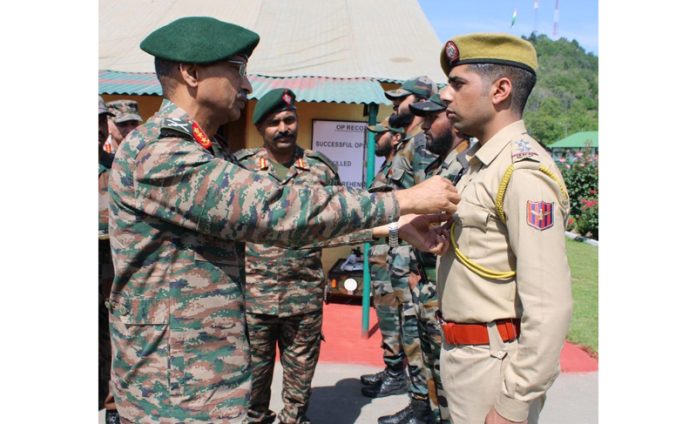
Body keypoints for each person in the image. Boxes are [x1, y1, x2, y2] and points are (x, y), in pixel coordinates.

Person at [106, 16, 459, 423]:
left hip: (198, 378)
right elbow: (277, 211)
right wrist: (401, 201)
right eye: (237, 70)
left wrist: (395, 226)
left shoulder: (201, 151)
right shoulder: (161, 152)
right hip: (171, 393)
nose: (247, 85)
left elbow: (289, 231)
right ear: (191, 73)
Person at [436, 33, 573, 424]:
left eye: (458, 83)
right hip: (468, 358)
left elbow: (549, 307)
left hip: (493, 368)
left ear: (499, 90)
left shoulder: (522, 173)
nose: (446, 95)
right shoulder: (484, 166)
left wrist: (513, 406)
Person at [235, 88, 372, 424]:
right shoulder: (241, 170)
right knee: (251, 385)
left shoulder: (319, 170)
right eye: (274, 123)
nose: (283, 128)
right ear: (261, 129)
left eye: (289, 119)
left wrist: (390, 229)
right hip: (254, 300)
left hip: (304, 300)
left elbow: (340, 222)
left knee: (299, 388)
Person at [367, 78, 441, 424]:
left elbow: (422, 204)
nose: (396, 104)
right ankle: (414, 392)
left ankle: (423, 401)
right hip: (397, 248)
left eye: (402, 99)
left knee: (416, 330)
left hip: (410, 251)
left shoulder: (422, 145)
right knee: (403, 324)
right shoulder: (407, 145)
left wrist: (405, 253)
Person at [359, 119, 409, 395]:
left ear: (396, 138)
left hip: (391, 254)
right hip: (382, 252)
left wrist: (390, 246)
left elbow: (401, 216)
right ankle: (391, 367)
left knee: (392, 316)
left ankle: (397, 374)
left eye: (381, 135)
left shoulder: (401, 167)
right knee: (386, 312)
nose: (376, 139)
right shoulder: (388, 167)